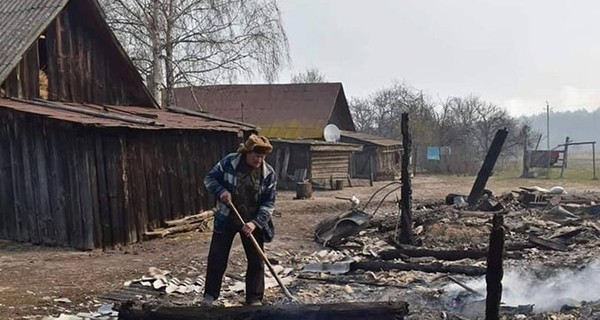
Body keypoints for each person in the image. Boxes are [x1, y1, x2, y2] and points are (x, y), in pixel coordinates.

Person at [202, 134, 277, 306]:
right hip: (227, 218)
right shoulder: (230, 162)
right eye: (256, 155)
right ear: (247, 153)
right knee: (217, 257)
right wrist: (220, 191)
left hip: (252, 220)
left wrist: (254, 223)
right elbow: (209, 179)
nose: (260, 159)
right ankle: (210, 295)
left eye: (263, 156)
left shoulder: (268, 174)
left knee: (257, 260)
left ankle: (254, 298)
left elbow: (269, 203)